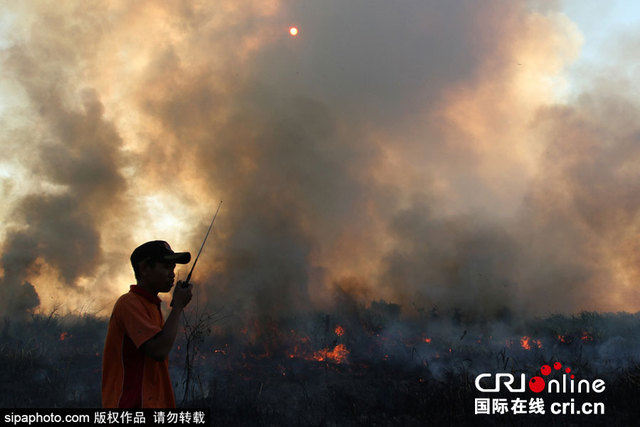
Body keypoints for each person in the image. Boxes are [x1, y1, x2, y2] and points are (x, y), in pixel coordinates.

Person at [102, 240, 193, 408]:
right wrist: (178, 306)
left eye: (173, 268)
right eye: (166, 267)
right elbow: (158, 349)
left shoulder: (152, 305)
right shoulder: (129, 303)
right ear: (144, 269)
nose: (172, 274)